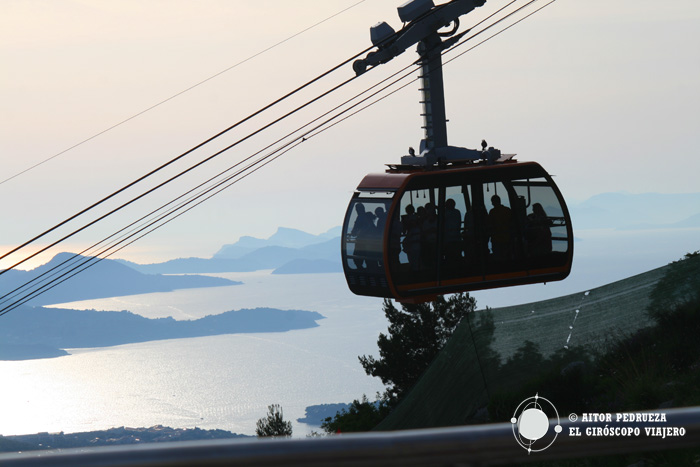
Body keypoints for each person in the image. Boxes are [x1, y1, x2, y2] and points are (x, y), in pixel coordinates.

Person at [488, 195, 513, 261]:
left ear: (493, 202)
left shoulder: (492, 212)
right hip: (506, 238)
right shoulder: (507, 210)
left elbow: (490, 225)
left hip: (496, 239)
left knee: (498, 258)